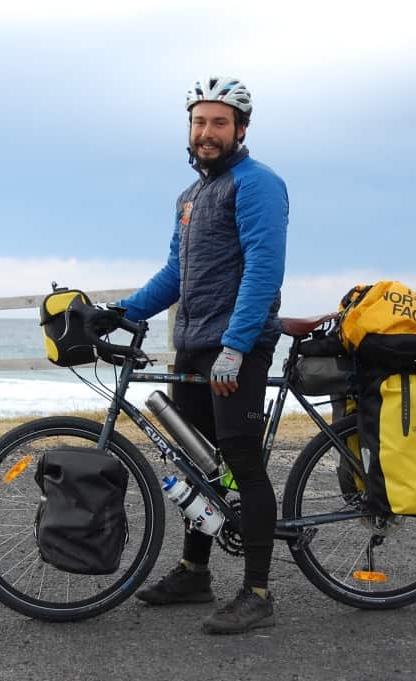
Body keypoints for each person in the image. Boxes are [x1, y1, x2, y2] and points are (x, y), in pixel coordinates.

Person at [117, 75, 288, 634]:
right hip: (194, 344)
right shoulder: (189, 197)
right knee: (194, 465)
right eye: (198, 122)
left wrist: (236, 349)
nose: (206, 132)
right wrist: (124, 312)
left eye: (218, 122)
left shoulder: (257, 184)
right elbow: (176, 273)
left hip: (235, 346)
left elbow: (264, 269)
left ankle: (258, 592)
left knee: (240, 463)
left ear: (241, 129)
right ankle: (195, 572)